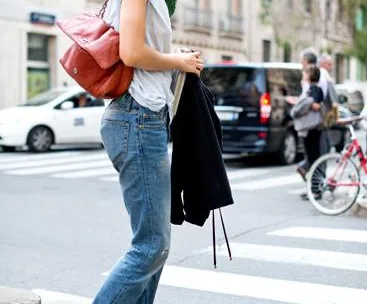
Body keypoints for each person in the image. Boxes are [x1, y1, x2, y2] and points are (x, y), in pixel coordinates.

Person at [92, 1, 204, 304]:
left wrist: (174, 59)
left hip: (143, 118)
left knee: (155, 248)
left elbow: (140, 49)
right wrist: (177, 63)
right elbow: (131, 52)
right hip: (137, 117)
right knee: (152, 246)